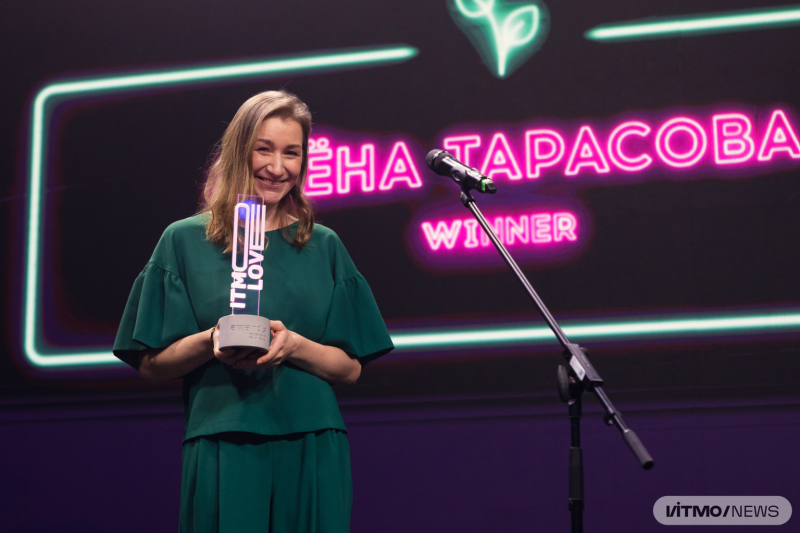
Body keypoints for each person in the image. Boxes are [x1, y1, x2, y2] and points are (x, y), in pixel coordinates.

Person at [113, 90, 394, 533]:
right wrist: (213, 339)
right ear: (239, 151)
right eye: (264, 149)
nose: (277, 167)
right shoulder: (183, 240)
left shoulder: (323, 245)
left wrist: (293, 345)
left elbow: (350, 369)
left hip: (311, 442)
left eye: (291, 153)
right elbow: (151, 365)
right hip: (223, 440)